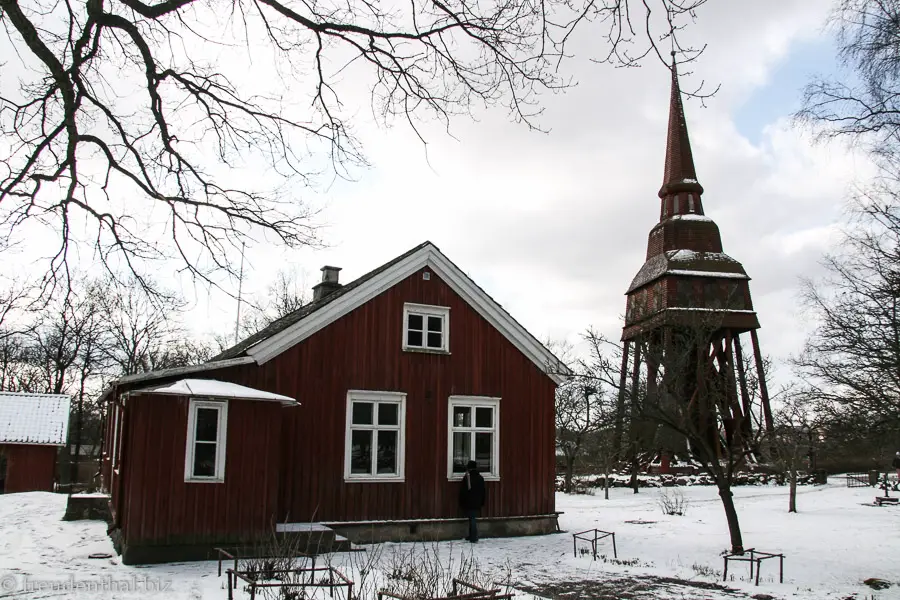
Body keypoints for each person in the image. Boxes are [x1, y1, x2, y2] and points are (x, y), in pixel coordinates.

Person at [459, 460, 486, 543]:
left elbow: (463, 491)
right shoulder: (480, 477)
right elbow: (483, 491)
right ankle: (471, 535)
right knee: (472, 518)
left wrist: (462, 501)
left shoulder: (467, 477)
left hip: (469, 501)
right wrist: (482, 501)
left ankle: (473, 537)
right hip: (477, 501)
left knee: (472, 519)